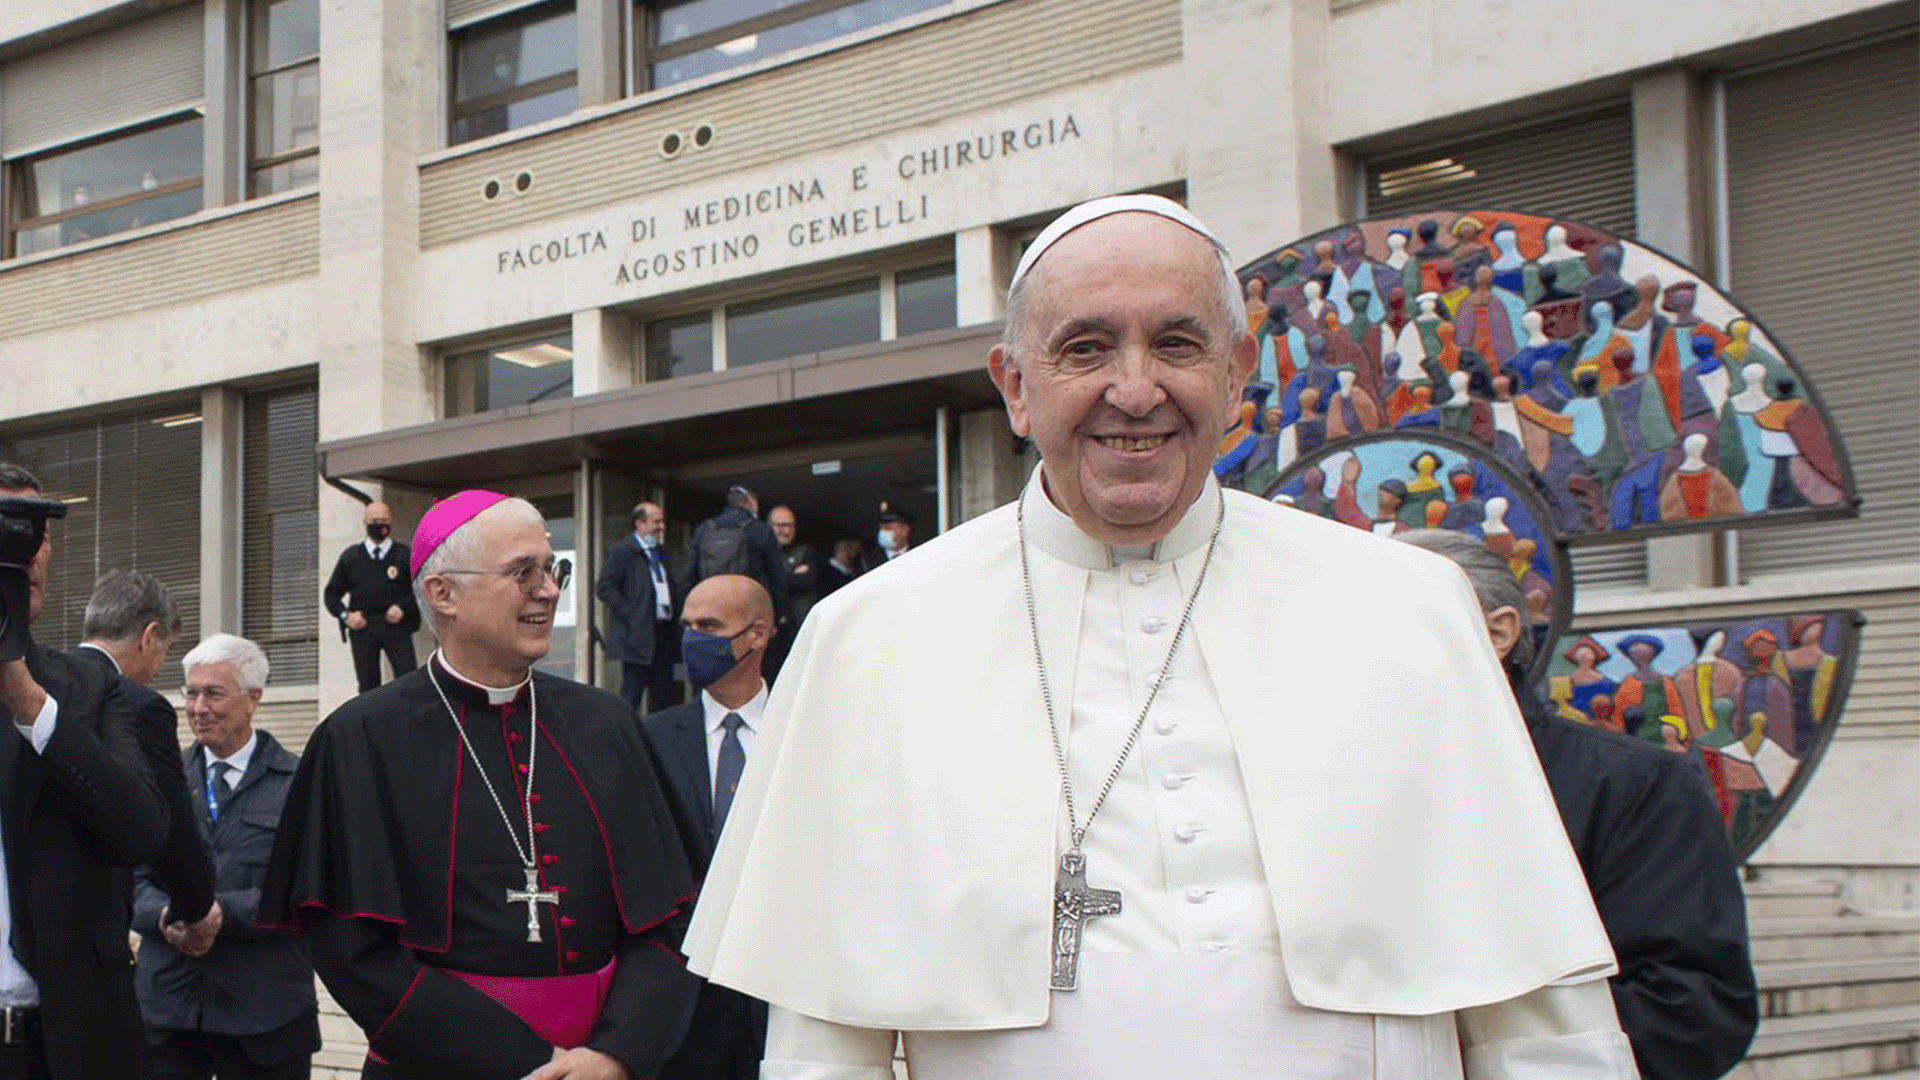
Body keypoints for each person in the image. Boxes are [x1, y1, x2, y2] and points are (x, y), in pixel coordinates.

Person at [681, 197, 1633, 1078]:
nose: (1134, 391)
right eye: (1085, 349)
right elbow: (822, 1049)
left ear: (1236, 372)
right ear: (1015, 386)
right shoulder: (867, 639)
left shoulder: (1408, 610)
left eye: (1176, 344)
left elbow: (1543, 1024)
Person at [260, 490, 698, 1080]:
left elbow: (670, 916)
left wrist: (616, 1054)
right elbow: (353, 952)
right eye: (524, 573)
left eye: (552, 569)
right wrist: (527, 1063)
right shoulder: (361, 738)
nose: (548, 590)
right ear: (444, 595)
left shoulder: (608, 723)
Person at [1398, 529, 1758, 1080]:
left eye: (1391, 615)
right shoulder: (1313, 782)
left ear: (1496, 632)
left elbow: (1690, 1010)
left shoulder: (1636, 785)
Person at [0, 462, 170, 1080]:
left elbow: (143, 833)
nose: (20, 555)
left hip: (69, 1042)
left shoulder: (89, 689)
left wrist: (27, 699)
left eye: (33, 534)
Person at [134, 634, 319, 1080]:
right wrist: (165, 916)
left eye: (213, 693)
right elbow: (129, 879)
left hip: (265, 1020)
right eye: (191, 693)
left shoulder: (300, 784)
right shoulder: (158, 779)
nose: (198, 708)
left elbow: (310, 890)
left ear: (253, 698)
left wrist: (220, 915)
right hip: (169, 1020)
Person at [642, 576, 775, 1080]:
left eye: (709, 626)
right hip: (686, 1000)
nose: (693, 639)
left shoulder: (803, 726)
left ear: (756, 634)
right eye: (688, 626)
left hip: (777, 992)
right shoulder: (653, 736)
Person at [70, 571, 221, 966]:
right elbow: (170, 829)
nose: (159, 667)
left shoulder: (31, 684)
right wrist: (195, 906)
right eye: (165, 651)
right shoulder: (138, 705)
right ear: (149, 635)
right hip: (91, 935)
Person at [322, 501, 420, 694]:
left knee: (409, 680)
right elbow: (331, 594)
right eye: (375, 520)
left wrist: (403, 607)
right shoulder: (351, 557)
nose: (379, 525)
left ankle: (409, 721)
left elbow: (420, 588)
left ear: (391, 522)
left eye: (384, 520)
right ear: (365, 522)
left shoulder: (403, 555)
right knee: (368, 688)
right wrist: (346, 616)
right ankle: (372, 724)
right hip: (363, 628)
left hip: (396, 626)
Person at [595, 502, 678, 711]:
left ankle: (658, 740)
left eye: (662, 521)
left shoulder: (659, 552)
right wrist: (631, 612)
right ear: (640, 523)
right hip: (637, 636)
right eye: (656, 522)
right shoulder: (624, 551)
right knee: (632, 695)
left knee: (663, 696)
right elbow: (604, 587)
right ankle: (626, 739)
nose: (661, 527)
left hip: (662, 633)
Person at [684, 489, 788, 630]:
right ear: (749, 503)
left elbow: (689, 577)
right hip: (749, 611)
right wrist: (775, 618)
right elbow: (778, 579)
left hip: (711, 610)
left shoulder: (704, 530)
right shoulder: (760, 530)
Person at [763, 507, 815, 684]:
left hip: (798, 630)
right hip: (769, 636)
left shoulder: (805, 551)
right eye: (780, 525)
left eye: (790, 525)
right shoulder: (761, 555)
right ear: (769, 526)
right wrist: (790, 576)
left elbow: (807, 581)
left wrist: (777, 579)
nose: (785, 530)